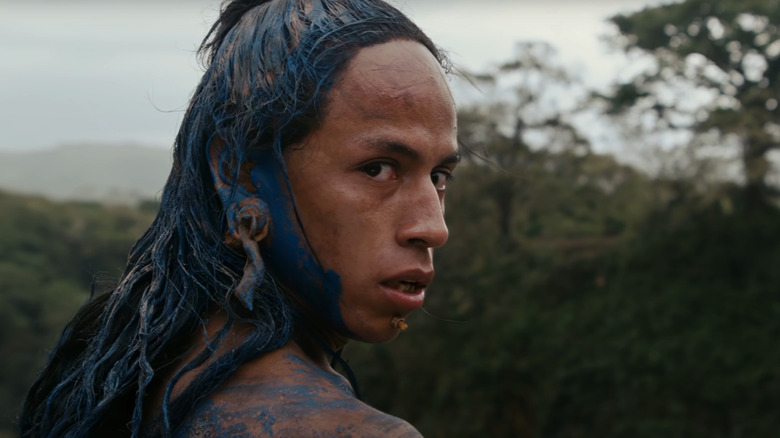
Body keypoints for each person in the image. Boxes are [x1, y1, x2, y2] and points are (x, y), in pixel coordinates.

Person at [19, 0, 459, 436]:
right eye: (378, 168)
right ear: (239, 172)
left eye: (439, 175)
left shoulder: (134, 379)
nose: (432, 228)